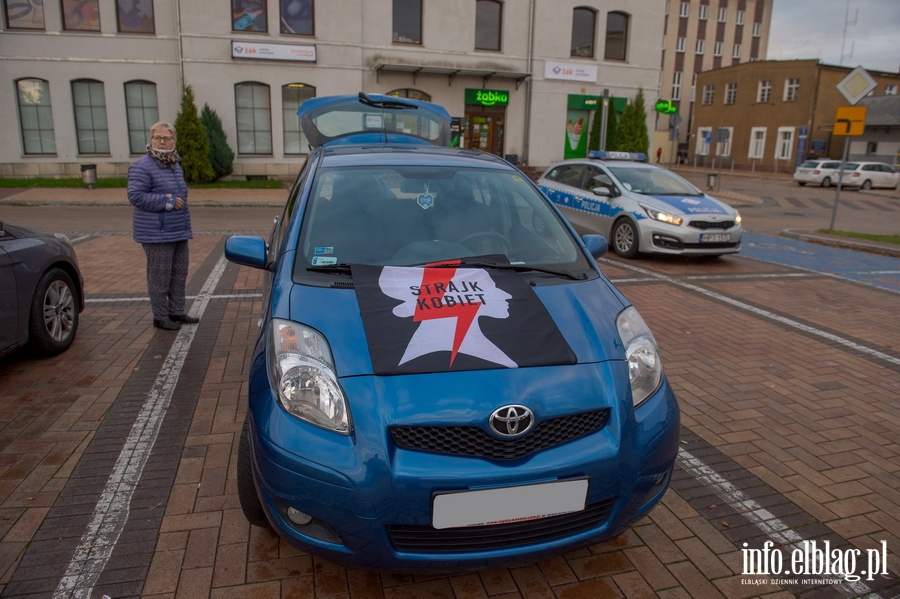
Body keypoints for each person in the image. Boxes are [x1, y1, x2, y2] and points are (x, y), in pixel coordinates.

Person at [127, 121, 199, 331]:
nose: (161, 141)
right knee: (160, 277)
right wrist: (166, 201)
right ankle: (160, 316)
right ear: (151, 140)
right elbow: (136, 196)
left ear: (173, 141)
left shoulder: (174, 164)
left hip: (177, 230)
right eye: (157, 137)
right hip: (156, 233)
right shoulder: (142, 166)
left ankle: (176, 312)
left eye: (166, 138)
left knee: (178, 273)